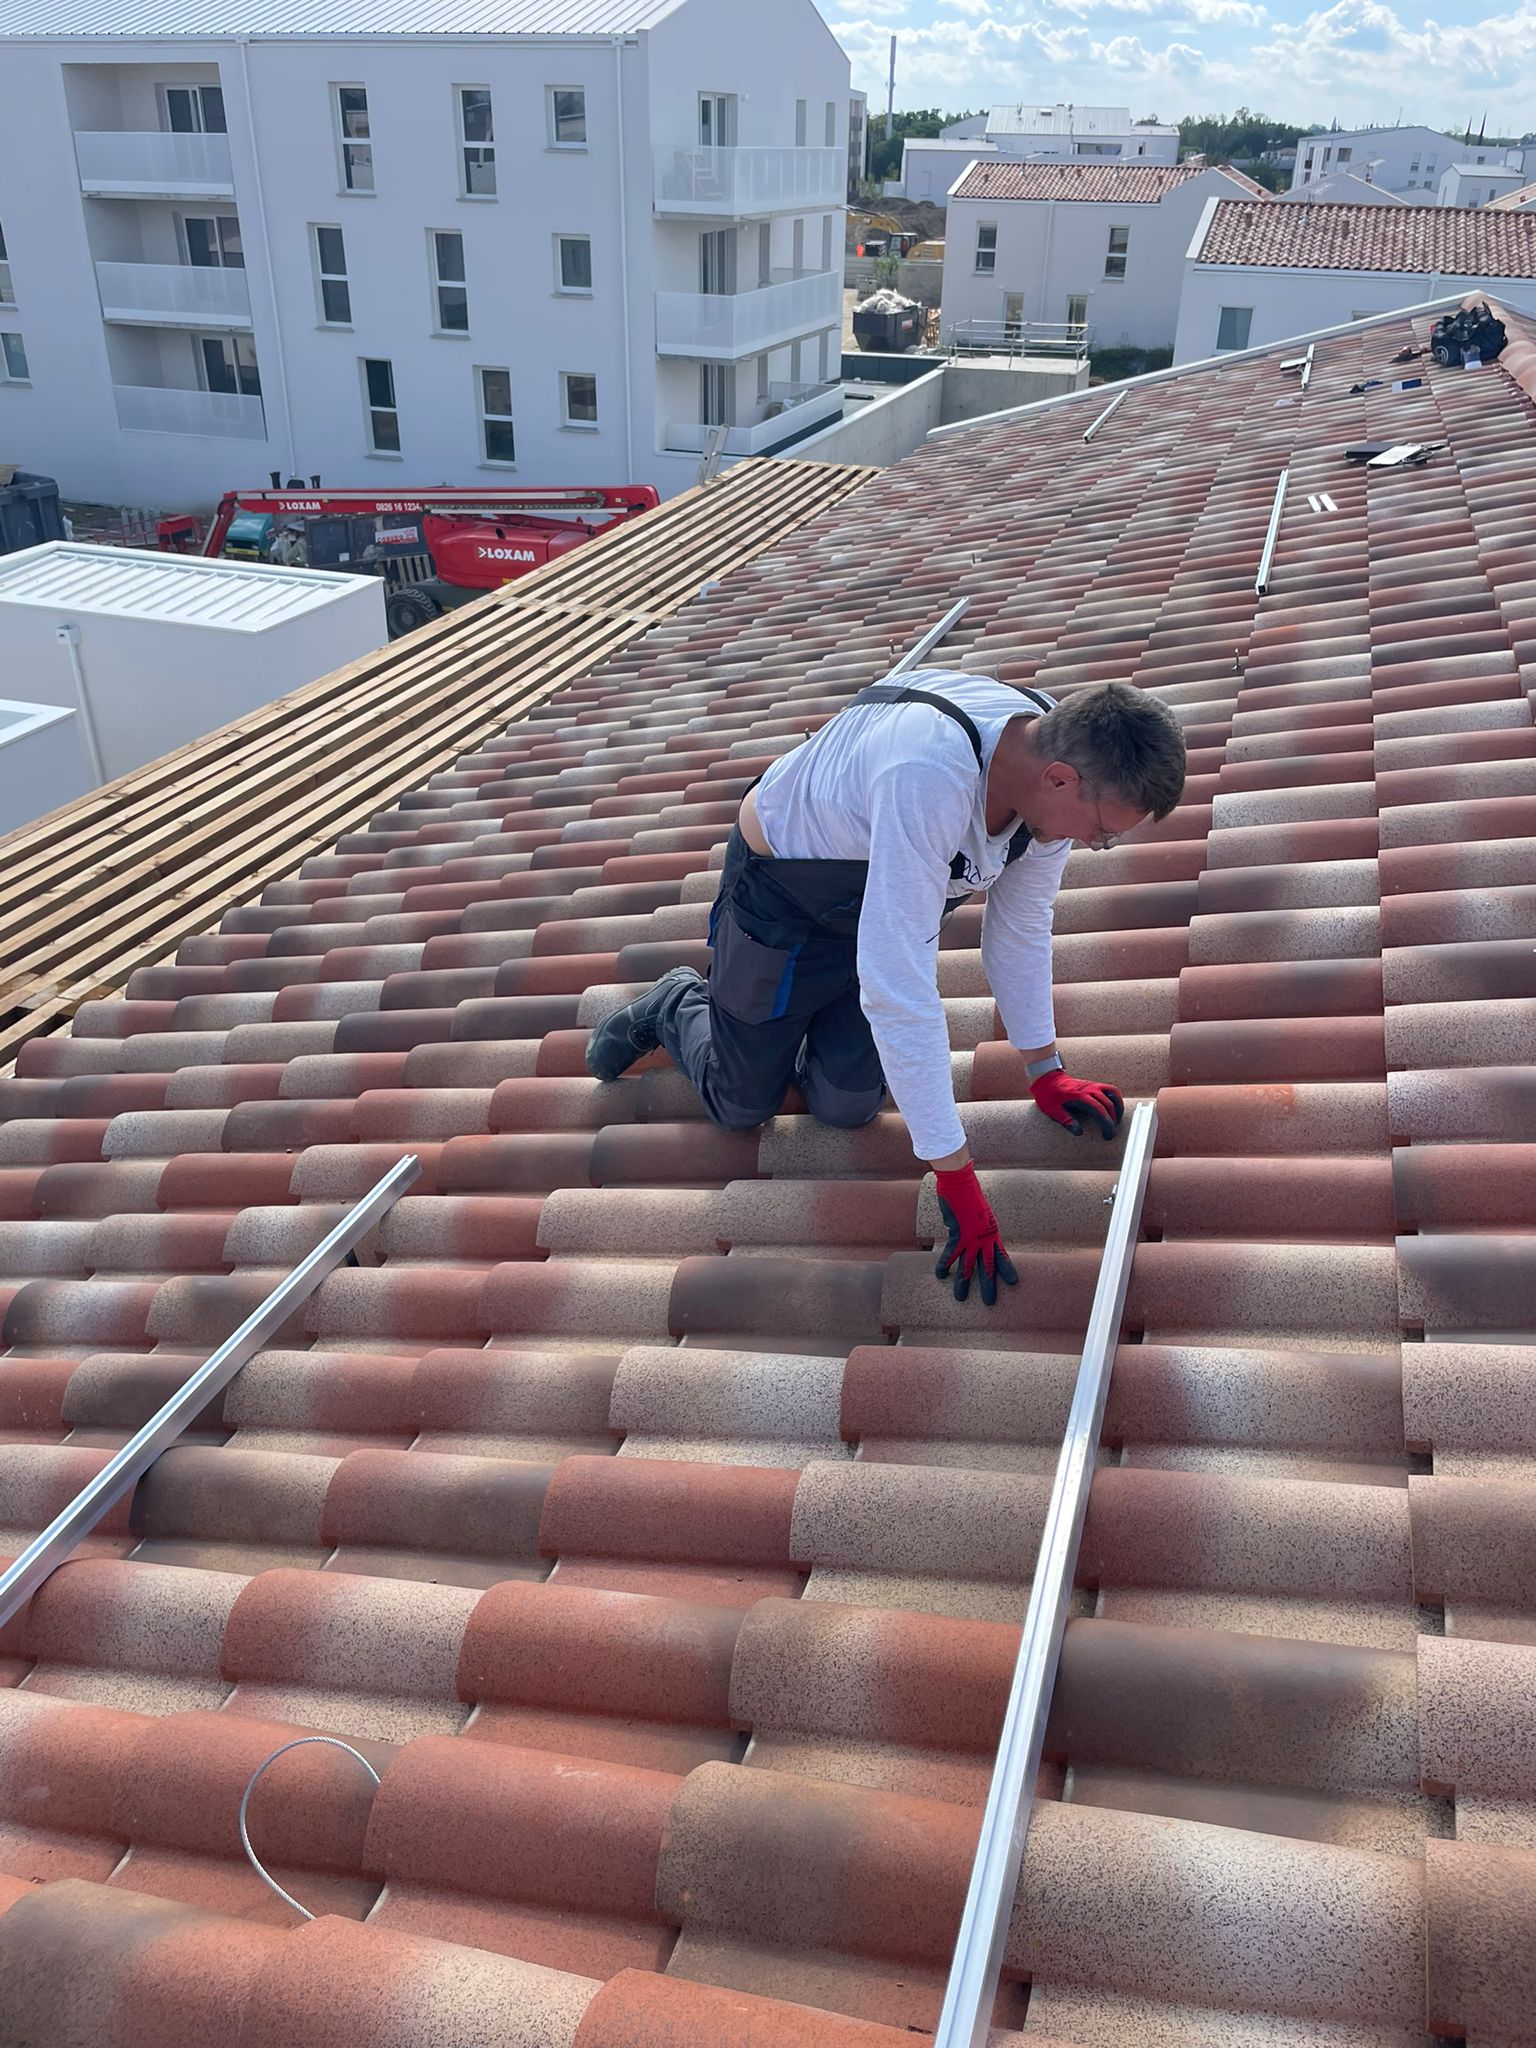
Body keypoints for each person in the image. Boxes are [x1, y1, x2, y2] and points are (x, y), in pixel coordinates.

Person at [587, 671, 1187, 1306]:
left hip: (879, 911)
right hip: (786, 898)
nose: (1096, 843)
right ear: (1060, 777)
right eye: (1104, 831)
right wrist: (955, 1179)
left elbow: (1019, 932)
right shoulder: (929, 774)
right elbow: (901, 986)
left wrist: (1044, 1068)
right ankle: (678, 1002)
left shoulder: (1047, 790)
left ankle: (791, 1020)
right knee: (742, 1103)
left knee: (847, 1104)